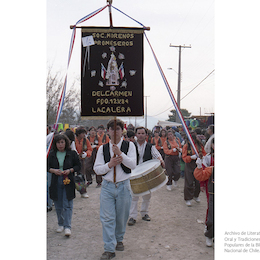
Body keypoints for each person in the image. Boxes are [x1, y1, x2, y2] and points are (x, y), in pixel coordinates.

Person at [94, 119, 136, 260]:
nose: (115, 131)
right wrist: (109, 165)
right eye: (112, 129)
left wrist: (120, 154)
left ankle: (119, 238)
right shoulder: (102, 148)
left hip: (123, 185)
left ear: (122, 130)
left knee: (122, 217)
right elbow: (97, 169)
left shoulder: (129, 146)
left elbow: (133, 165)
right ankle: (109, 248)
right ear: (108, 131)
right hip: (107, 187)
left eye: (117, 129)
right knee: (107, 218)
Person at [128, 127, 165, 226]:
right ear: (136, 135)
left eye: (142, 133)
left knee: (147, 195)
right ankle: (132, 216)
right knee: (134, 196)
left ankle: (144, 213)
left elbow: (156, 154)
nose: (140, 135)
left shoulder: (150, 146)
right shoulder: (130, 146)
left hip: (146, 173)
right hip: (133, 173)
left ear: (146, 135)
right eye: (138, 133)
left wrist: (161, 160)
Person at [47, 134, 81, 237]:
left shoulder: (72, 153)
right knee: (58, 205)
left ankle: (67, 226)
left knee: (68, 204)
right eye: (58, 142)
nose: (60, 145)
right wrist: (53, 170)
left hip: (68, 180)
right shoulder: (51, 154)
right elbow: (46, 166)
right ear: (55, 144)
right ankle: (60, 224)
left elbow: (78, 166)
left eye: (62, 142)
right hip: (55, 181)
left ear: (66, 143)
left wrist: (70, 170)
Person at [194, 139, 214, 247]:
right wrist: (202, 184)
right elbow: (202, 174)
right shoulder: (208, 158)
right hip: (211, 187)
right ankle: (209, 229)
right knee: (211, 208)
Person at [182, 132, 206, 206]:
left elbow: (204, 153)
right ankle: (188, 198)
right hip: (189, 164)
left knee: (198, 182)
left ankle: (196, 195)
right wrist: (191, 157)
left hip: (198, 164)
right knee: (189, 182)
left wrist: (202, 157)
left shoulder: (200, 145)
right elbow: (184, 157)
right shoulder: (186, 146)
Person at [75, 127, 92, 197]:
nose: (84, 135)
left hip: (81, 160)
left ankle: (83, 192)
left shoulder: (85, 140)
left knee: (81, 176)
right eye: (83, 133)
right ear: (79, 134)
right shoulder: (73, 139)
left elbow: (89, 149)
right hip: (72, 159)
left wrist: (86, 153)